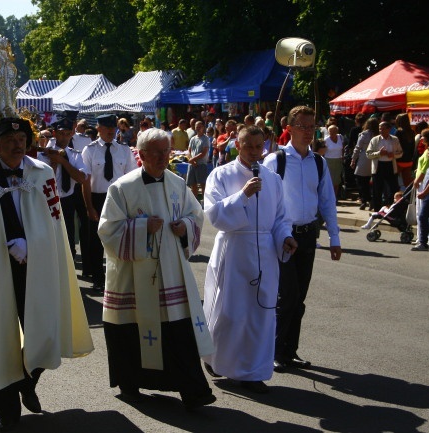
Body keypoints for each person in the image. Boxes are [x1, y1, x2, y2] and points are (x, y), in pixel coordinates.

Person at [0, 117, 93, 431]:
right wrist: (6, 243)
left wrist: (33, 243)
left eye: (21, 140)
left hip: (38, 264)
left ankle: (28, 377)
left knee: (43, 326)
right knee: (0, 333)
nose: (17, 145)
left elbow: (54, 220)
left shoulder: (43, 172)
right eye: (9, 140)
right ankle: (6, 409)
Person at [97, 128, 216, 409]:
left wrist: (184, 226)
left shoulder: (177, 183)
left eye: (166, 151)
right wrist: (141, 228)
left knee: (178, 330)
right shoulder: (121, 188)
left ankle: (193, 390)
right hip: (133, 276)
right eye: (157, 152)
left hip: (172, 273)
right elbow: (107, 231)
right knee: (131, 330)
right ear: (141, 154)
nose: (163, 157)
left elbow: (195, 215)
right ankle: (130, 384)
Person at [203, 126, 296, 394]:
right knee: (231, 313)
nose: (254, 152)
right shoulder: (220, 175)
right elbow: (215, 215)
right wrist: (242, 195)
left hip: (265, 251)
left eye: (259, 146)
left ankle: (253, 372)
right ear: (237, 144)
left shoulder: (273, 179)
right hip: (234, 249)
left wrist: (285, 237)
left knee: (261, 313)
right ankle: (222, 362)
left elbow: (280, 218)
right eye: (248, 146)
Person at [262, 105, 341, 372]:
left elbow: (328, 200)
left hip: (308, 235)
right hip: (284, 236)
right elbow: (266, 199)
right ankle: (275, 350)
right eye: (303, 127)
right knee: (288, 296)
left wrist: (335, 236)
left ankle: (290, 351)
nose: (309, 132)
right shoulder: (277, 160)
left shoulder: (318, 162)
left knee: (300, 298)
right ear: (290, 128)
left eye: (312, 127)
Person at [82, 114, 138, 291]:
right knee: (97, 241)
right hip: (97, 198)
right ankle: (98, 278)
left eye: (113, 128)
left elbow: (132, 178)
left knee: (121, 238)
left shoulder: (123, 149)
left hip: (119, 199)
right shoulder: (90, 150)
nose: (111, 132)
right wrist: (89, 206)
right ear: (98, 128)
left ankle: (121, 278)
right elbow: (85, 181)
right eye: (107, 128)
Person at [37, 118, 88, 258]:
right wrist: (54, 162)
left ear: (71, 134)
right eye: (61, 133)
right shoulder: (42, 156)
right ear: (54, 133)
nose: (64, 137)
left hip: (66, 201)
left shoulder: (75, 155)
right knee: (48, 240)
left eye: (67, 133)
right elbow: (44, 180)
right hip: (47, 202)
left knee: (68, 241)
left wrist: (63, 162)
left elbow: (81, 178)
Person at [366, 121, 403, 212]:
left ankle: (392, 209)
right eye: (379, 128)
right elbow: (368, 154)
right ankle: (377, 210)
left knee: (393, 188)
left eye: (383, 128)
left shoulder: (394, 139)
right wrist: (379, 153)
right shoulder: (375, 140)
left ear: (389, 129)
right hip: (378, 166)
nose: (381, 130)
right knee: (377, 190)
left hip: (390, 165)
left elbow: (400, 153)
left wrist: (393, 155)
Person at [351, 118, 378, 210]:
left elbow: (357, 147)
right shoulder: (378, 135)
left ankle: (365, 200)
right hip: (375, 159)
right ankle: (370, 200)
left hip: (364, 158)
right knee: (370, 182)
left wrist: (353, 159)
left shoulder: (364, 134)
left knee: (361, 180)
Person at [186, 120, 210, 199]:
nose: (198, 129)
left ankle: (205, 200)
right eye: (196, 127)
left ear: (203, 127)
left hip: (201, 164)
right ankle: (195, 201)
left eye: (199, 127)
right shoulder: (193, 139)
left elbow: (203, 152)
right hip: (192, 164)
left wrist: (193, 159)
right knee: (192, 184)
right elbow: (189, 151)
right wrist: (191, 160)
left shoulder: (205, 139)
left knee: (202, 184)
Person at [324, 125, 344, 197]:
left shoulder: (340, 137)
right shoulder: (326, 140)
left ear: (336, 131)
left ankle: (335, 197)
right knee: (330, 180)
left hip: (338, 160)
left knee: (337, 180)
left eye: (334, 131)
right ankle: (329, 197)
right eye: (330, 132)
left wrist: (342, 157)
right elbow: (323, 151)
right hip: (329, 161)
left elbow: (342, 148)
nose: (332, 133)